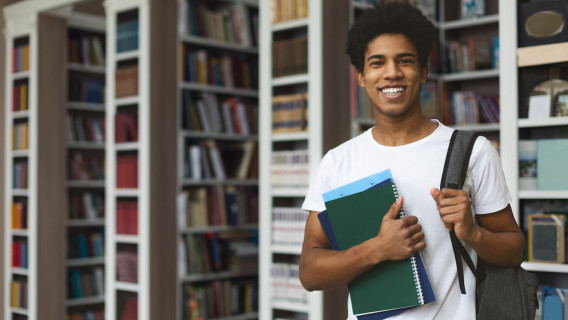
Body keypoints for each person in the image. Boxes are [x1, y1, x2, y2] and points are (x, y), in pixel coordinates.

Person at [298, 3, 525, 319]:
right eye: (377, 63)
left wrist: (473, 234)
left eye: (404, 60)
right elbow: (310, 272)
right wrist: (377, 249)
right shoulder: (338, 162)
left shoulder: (472, 151)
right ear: (361, 76)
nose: (392, 72)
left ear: (423, 72)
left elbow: (515, 248)